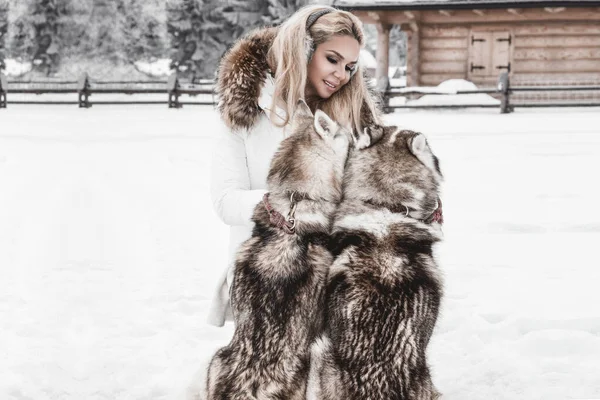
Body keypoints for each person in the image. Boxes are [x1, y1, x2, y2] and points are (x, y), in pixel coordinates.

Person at [206, 4, 383, 327]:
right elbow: (226, 200)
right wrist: (289, 206)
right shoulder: (246, 111)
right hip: (268, 281)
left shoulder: (352, 118)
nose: (341, 75)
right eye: (332, 59)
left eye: (350, 67)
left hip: (337, 286)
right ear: (302, 49)